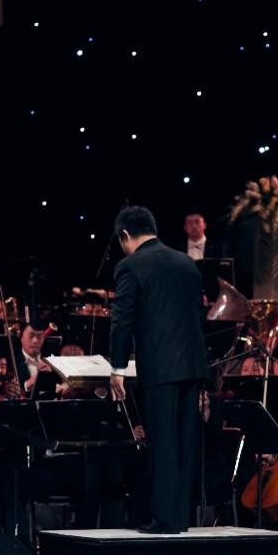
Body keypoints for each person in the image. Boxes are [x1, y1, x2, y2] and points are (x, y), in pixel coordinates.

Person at [109, 205, 208, 534]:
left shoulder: (130, 265)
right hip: (192, 364)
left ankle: (165, 520)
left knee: (162, 441)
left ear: (125, 235)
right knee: (184, 442)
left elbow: (122, 320)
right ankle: (181, 517)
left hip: (160, 367)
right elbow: (197, 315)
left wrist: (117, 367)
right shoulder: (186, 263)